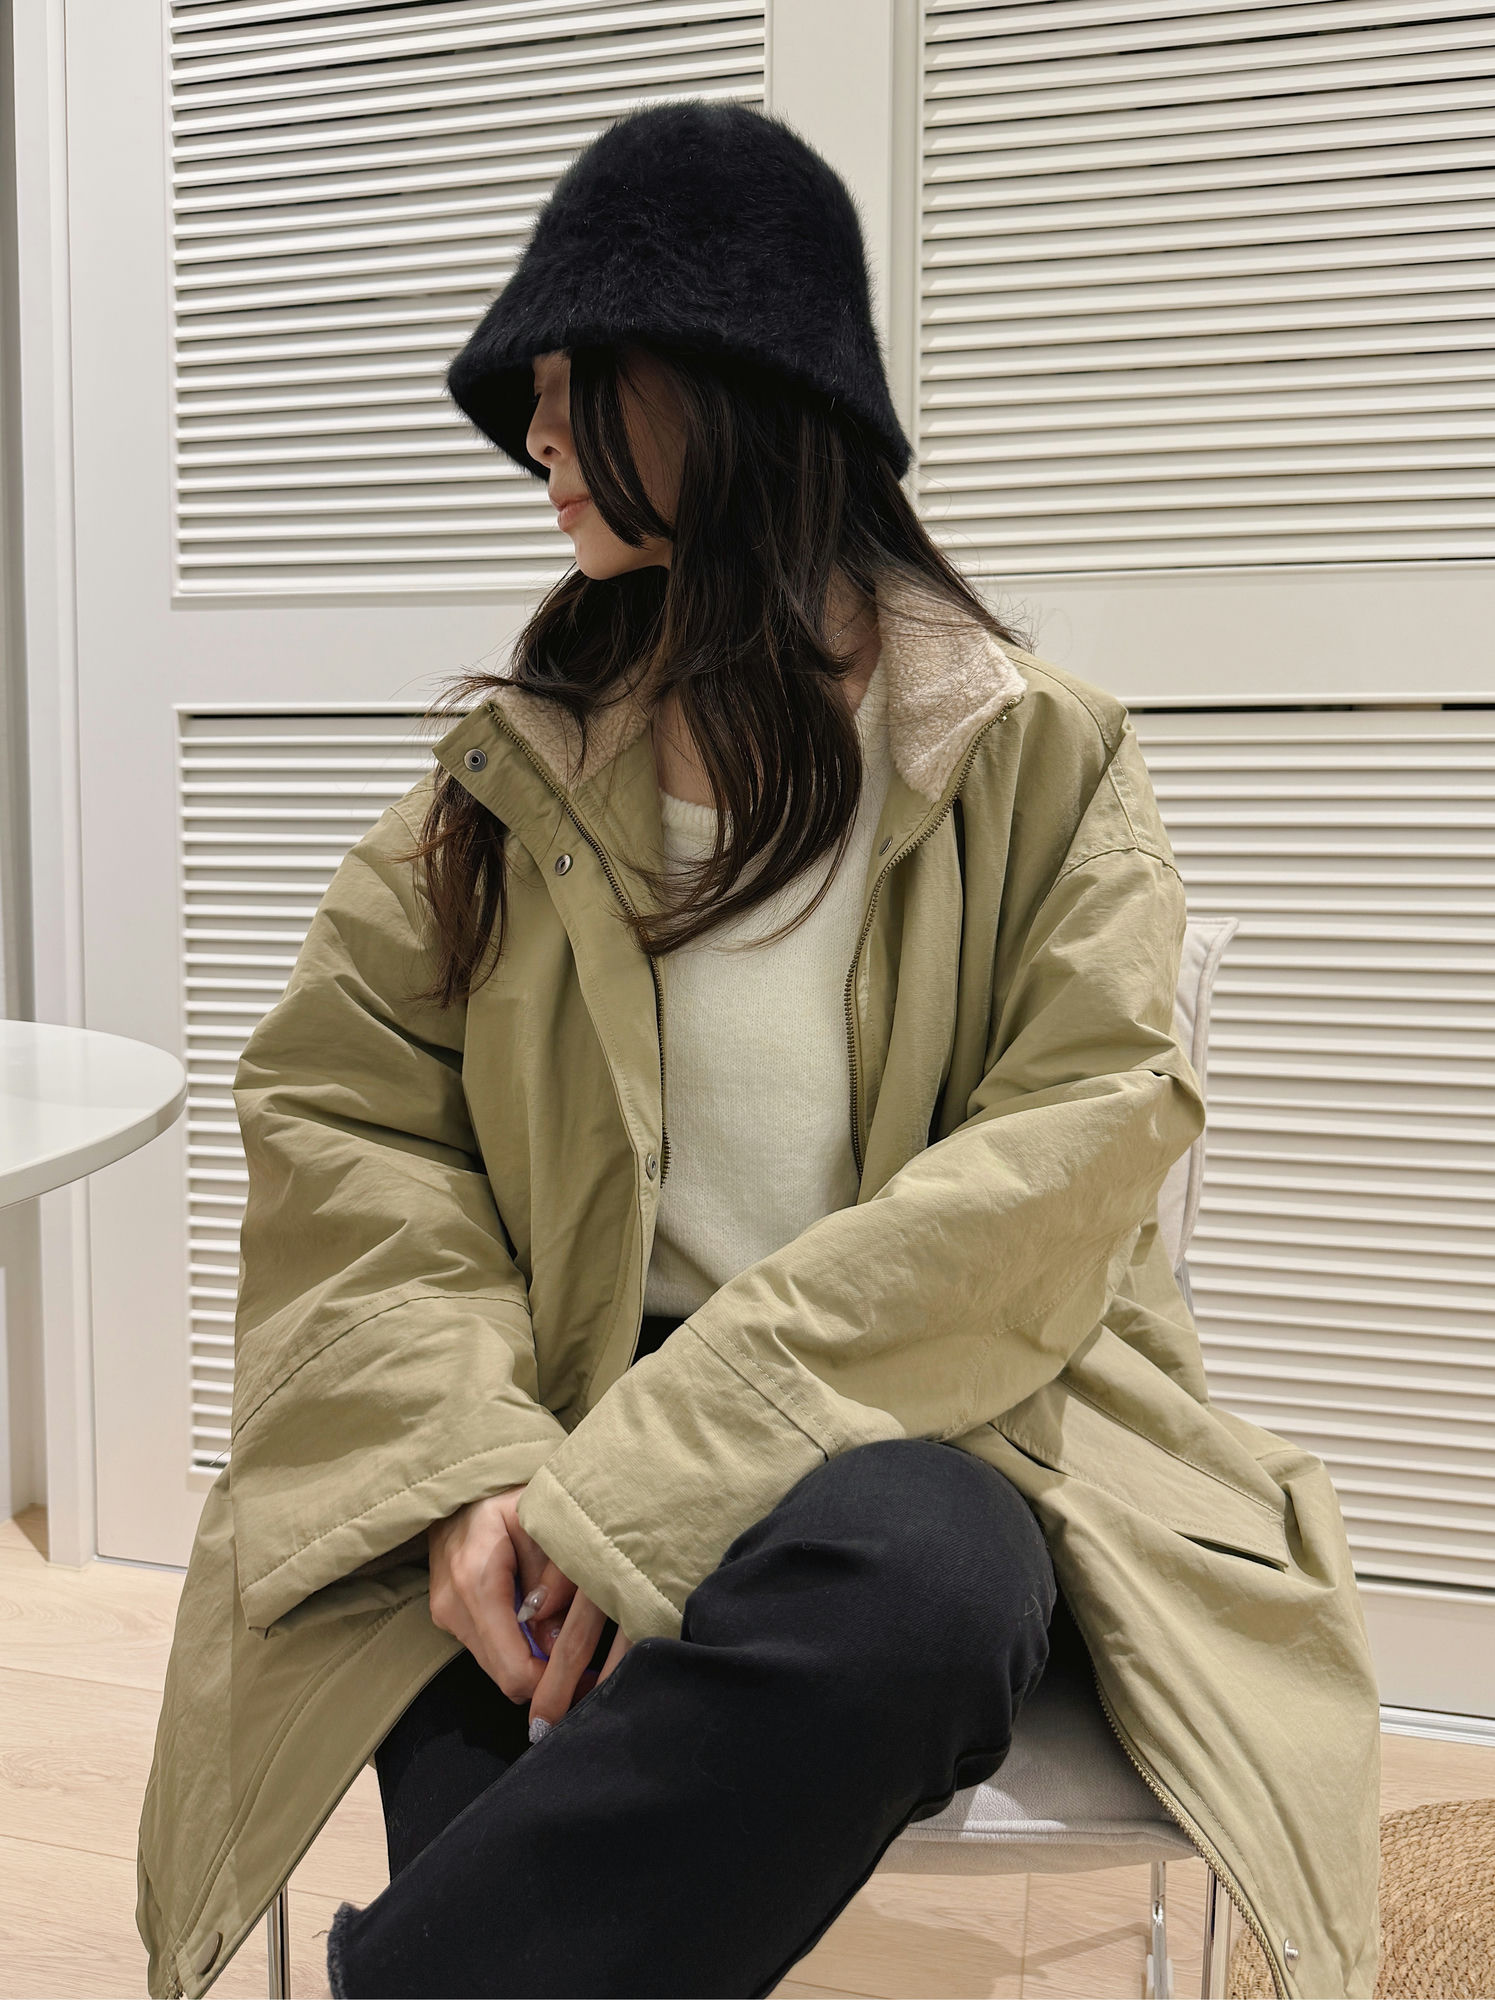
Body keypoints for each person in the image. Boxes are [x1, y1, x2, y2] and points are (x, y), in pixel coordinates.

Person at [136, 101, 1381, 2000]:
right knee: (473, 1692)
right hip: (546, 1417)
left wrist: (662, 1476)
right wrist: (474, 1467)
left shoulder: (1037, 761)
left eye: (579, 382)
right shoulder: (504, 782)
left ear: (736, 384)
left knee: (934, 1583)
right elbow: (351, 1129)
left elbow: (1071, 1151)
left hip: (924, 1423)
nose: (537, 436)